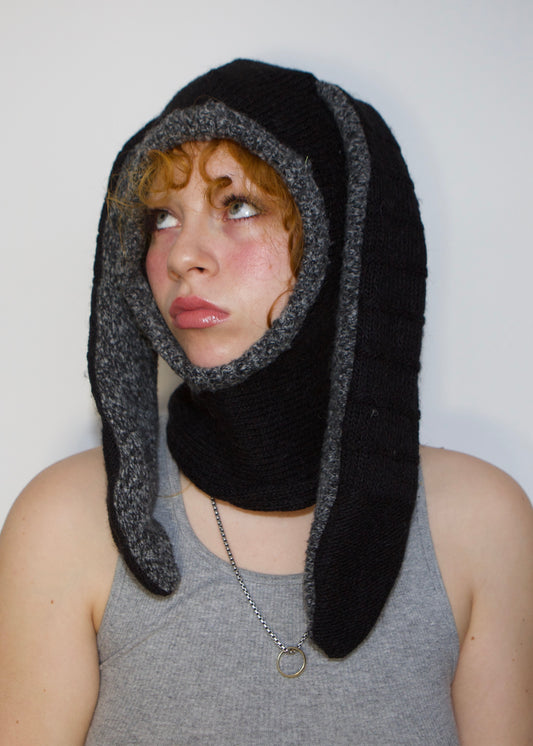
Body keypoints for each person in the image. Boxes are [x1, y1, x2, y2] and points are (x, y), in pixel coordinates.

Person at [0, 59, 532, 745]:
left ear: (341, 235)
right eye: (163, 217)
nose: (182, 256)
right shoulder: (63, 525)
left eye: (238, 206)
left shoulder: (482, 525)